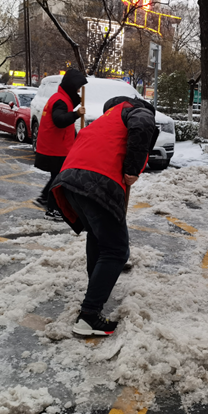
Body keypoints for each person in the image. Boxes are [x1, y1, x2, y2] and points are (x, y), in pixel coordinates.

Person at [50, 96, 159, 336]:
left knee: (99, 239)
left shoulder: (105, 120)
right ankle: (88, 316)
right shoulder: (135, 110)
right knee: (117, 250)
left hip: (69, 181)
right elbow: (142, 124)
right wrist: (132, 169)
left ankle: (95, 289)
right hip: (96, 182)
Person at [34, 69, 87, 221]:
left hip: (55, 146)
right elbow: (59, 121)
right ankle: (51, 208)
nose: (78, 90)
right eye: (77, 87)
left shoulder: (61, 98)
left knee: (57, 178)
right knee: (59, 179)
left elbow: (67, 126)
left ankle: (47, 201)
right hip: (56, 149)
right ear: (71, 86)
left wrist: (77, 140)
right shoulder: (61, 101)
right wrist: (76, 114)